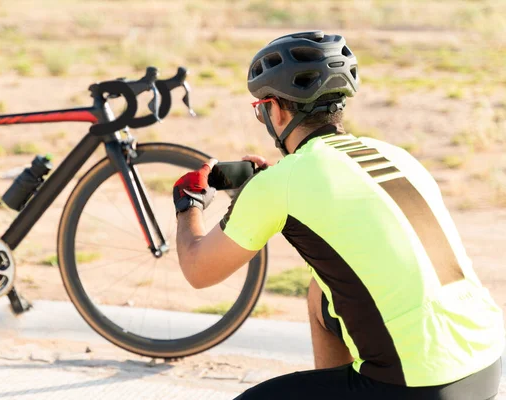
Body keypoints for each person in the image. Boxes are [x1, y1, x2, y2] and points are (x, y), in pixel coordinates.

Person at [172, 31, 504, 399]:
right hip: (486, 363)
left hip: (419, 386)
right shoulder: (397, 156)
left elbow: (198, 270)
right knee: (321, 295)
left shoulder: (282, 182)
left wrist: (188, 204)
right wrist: (255, 195)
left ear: (275, 109)